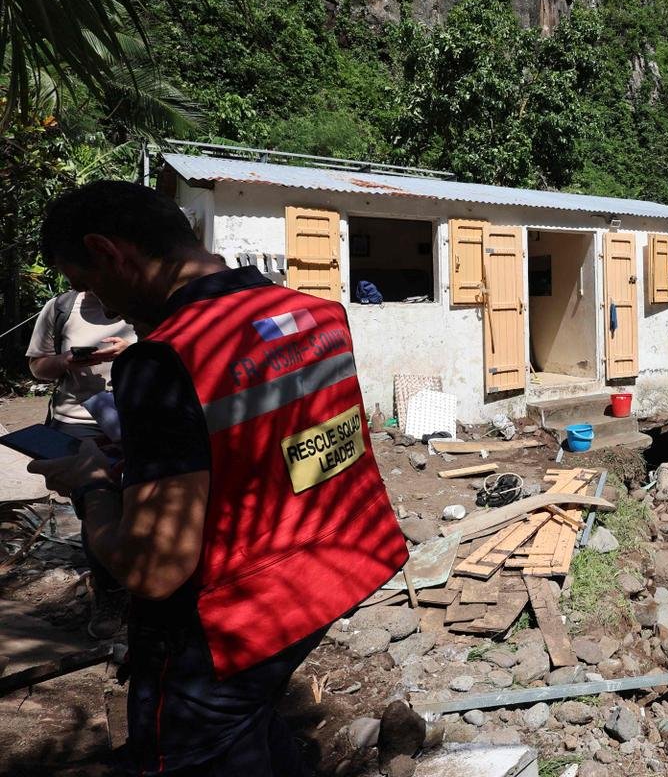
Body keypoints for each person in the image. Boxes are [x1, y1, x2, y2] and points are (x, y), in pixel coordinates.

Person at [27, 180, 408, 776]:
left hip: (232, 622)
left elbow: (153, 569)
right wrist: (154, 460)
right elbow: (279, 448)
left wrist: (94, 482)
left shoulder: (165, 359)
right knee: (249, 726)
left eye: (90, 284)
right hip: (335, 575)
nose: (104, 305)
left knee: (191, 755)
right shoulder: (316, 315)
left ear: (110, 252)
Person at [27, 288, 135, 637]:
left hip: (134, 420)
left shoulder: (142, 300)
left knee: (140, 498)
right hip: (76, 424)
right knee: (95, 505)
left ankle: (144, 583)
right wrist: (66, 362)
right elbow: (37, 366)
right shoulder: (59, 308)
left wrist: (131, 351)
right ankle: (110, 592)